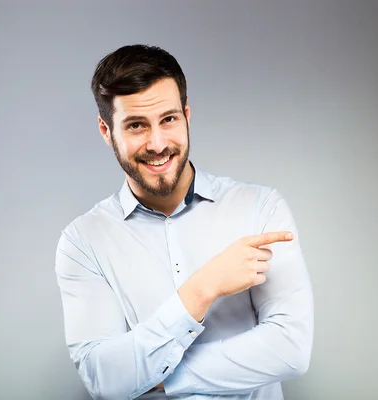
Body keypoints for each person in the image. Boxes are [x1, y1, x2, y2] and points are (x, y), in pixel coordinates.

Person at [55, 44, 314, 400]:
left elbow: (291, 349)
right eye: (136, 126)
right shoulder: (83, 241)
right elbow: (105, 381)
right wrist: (202, 289)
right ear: (105, 130)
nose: (158, 143)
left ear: (187, 115)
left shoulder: (260, 208)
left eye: (169, 119)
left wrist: (159, 377)